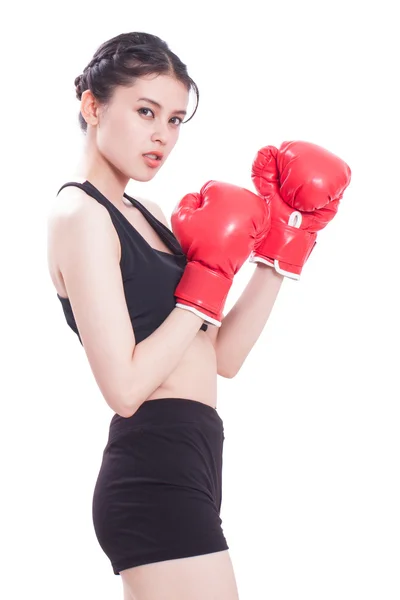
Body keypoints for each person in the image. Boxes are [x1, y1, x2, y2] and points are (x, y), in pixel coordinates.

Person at [46, 31, 351, 600]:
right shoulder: (78, 214)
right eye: (145, 111)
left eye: (176, 119)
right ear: (92, 105)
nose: (163, 135)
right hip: (152, 472)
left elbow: (221, 359)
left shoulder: (151, 213)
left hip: (195, 460)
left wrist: (283, 249)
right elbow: (126, 387)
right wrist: (205, 285)